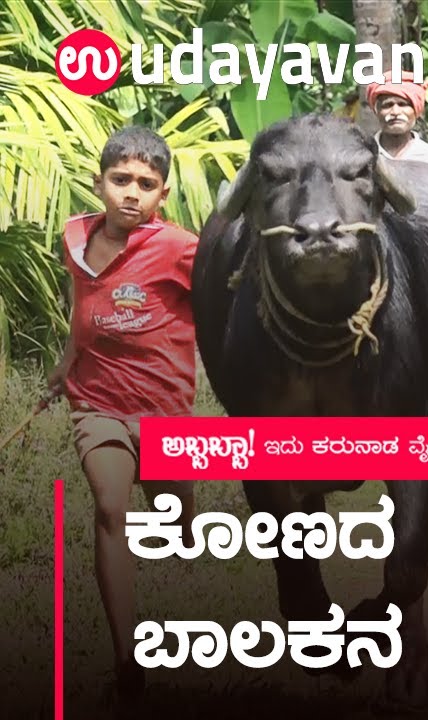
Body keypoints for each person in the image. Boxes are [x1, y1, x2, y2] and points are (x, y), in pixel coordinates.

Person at [46, 125, 198, 709]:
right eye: (121, 180)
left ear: (162, 195)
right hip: (96, 399)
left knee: (167, 497)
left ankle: (183, 511)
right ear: (99, 182)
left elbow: (223, 295)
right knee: (110, 505)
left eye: (146, 184)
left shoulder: (182, 248)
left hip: (164, 406)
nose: (131, 193)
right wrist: (65, 363)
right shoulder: (75, 236)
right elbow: (82, 305)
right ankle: (128, 657)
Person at [365, 69, 428, 191]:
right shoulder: (363, 157)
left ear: (417, 111)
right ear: (377, 111)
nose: (395, 112)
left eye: (403, 104)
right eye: (387, 105)